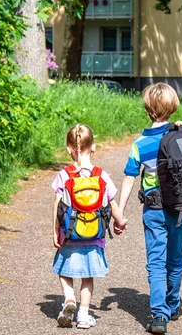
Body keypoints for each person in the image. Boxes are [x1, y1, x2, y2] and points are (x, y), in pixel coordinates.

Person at [115, 83, 182, 334]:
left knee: (156, 262)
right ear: (173, 106)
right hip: (179, 208)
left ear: (148, 109)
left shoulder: (141, 143)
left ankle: (159, 316)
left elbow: (129, 177)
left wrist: (120, 212)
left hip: (154, 209)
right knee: (175, 258)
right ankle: (173, 303)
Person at [51, 124, 127, 329]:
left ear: (68, 149)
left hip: (68, 234)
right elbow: (112, 203)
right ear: (93, 147)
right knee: (87, 277)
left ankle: (68, 299)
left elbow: (58, 205)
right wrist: (120, 221)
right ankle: (83, 316)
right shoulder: (101, 175)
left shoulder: (64, 175)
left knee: (64, 271)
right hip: (94, 235)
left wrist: (54, 231)